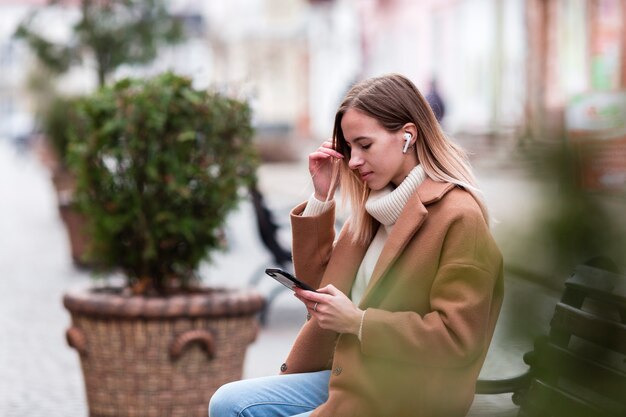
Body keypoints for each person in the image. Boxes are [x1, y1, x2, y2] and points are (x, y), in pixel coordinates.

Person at [208, 73, 503, 417]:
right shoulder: (375, 210)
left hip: (402, 395)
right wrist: (321, 197)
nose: (353, 161)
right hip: (353, 379)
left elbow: (458, 340)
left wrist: (359, 323)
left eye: (365, 145)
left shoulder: (458, 215)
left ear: (408, 136)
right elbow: (323, 290)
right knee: (226, 402)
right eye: (349, 148)